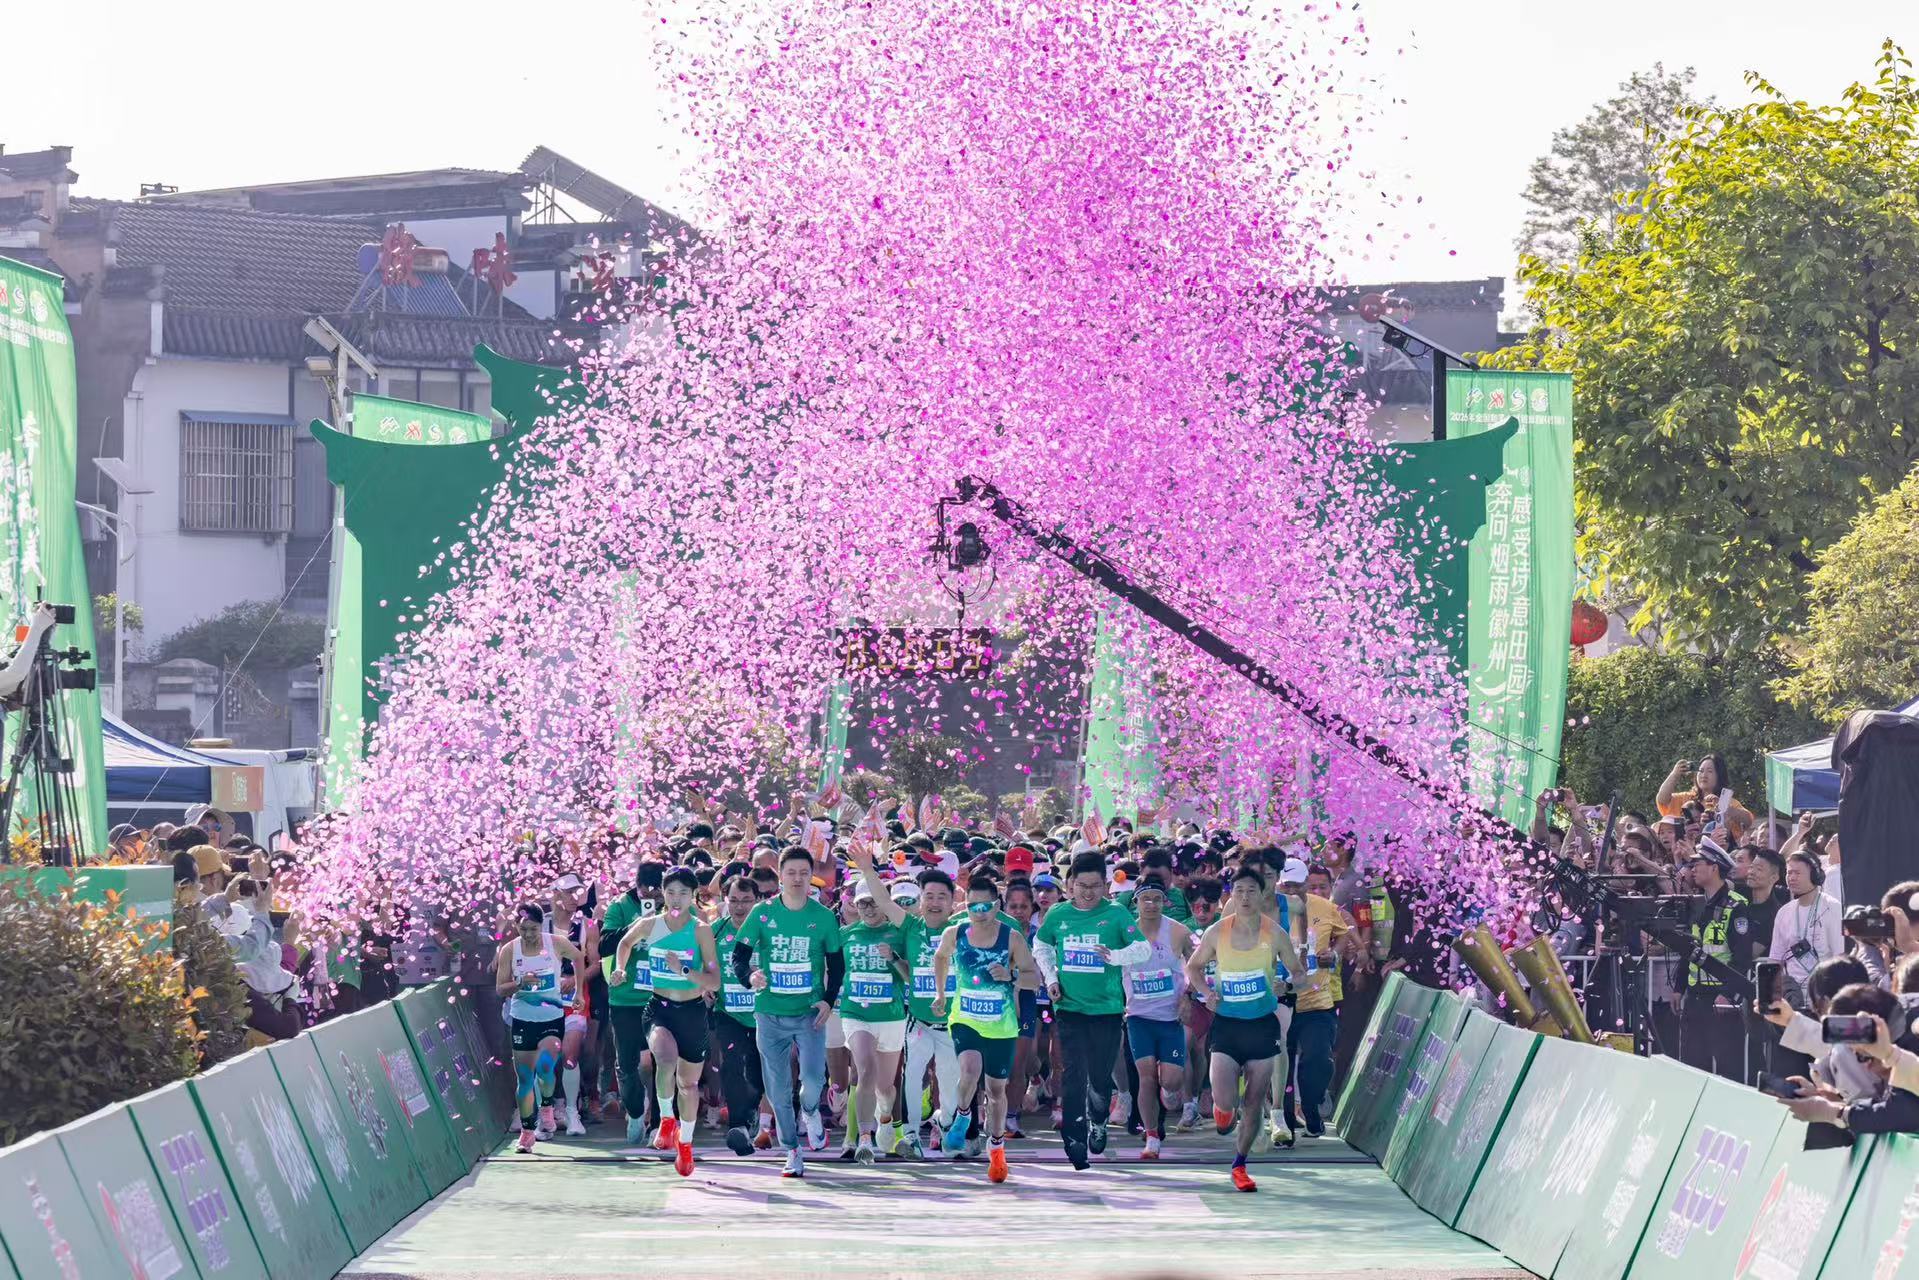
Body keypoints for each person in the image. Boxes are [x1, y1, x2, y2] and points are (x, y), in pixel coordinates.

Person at [1184, 862, 1304, 1191]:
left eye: (1252, 890)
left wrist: (1288, 986)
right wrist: (1206, 993)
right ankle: (1224, 1112)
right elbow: (1193, 968)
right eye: (1239, 891)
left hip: (1262, 1026)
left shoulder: (1274, 933)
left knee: (1253, 1099)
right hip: (1227, 1025)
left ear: (1262, 893)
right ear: (1232, 896)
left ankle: (1240, 1165)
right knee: (1225, 1102)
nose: (1246, 896)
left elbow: (1300, 973)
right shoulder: (1217, 932)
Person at [1032, 850, 1152, 1170]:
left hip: (1108, 1009)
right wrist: (1052, 977)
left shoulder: (1116, 915)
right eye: (1082, 885)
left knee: (1099, 1077)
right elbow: (1042, 945)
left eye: (1095, 886)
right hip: (1069, 1007)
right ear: (1070, 884)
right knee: (1073, 1072)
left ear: (1105, 886)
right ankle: (1075, 1139)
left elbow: (1142, 949)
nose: (1088, 892)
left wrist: (1113, 956)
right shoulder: (1057, 914)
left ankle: (1098, 1118)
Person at [732, 847, 845, 1179]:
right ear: (779, 875)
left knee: (812, 1079)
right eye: (791, 873)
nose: (797, 879)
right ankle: (792, 1150)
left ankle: (810, 1110)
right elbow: (739, 957)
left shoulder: (823, 916)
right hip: (769, 1014)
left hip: (809, 1014)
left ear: (811, 877)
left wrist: (827, 999)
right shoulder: (761, 914)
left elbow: (837, 964)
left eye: (803, 873)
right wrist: (749, 977)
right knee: (778, 1089)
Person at [846, 841, 960, 1159]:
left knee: (949, 1082)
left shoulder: (960, 930)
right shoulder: (910, 925)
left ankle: (949, 1126)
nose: (935, 902)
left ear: (953, 902)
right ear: (920, 902)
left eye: (942, 897)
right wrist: (867, 869)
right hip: (917, 1020)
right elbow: (882, 899)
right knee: (911, 1077)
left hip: (952, 1023)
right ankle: (909, 1135)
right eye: (930, 896)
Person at [933, 871, 1036, 1183]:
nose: (979, 913)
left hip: (1002, 1025)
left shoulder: (1012, 937)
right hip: (965, 1018)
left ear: (997, 906)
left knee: (995, 1091)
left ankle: (996, 1150)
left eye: (985, 907)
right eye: (972, 907)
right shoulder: (955, 933)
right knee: (969, 1071)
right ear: (965, 907)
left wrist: (1012, 976)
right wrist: (940, 993)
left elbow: (1034, 977)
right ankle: (963, 1117)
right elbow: (940, 957)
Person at [616, 866, 718, 1177]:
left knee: (688, 1084)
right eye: (671, 892)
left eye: (683, 893)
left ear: (692, 896)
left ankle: (685, 1145)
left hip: (693, 1013)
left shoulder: (701, 930)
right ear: (663, 893)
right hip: (659, 1008)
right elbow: (624, 943)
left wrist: (685, 971)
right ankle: (665, 1119)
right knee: (664, 1056)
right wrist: (620, 969)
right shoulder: (650, 924)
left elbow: (714, 979)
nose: (676, 899)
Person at [495, 904, 583, 1152]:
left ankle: (546, 1106)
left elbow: (578, 957)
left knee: (545, 1068)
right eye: (523, 929)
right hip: (522, 1019)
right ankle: (526, 1132)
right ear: (516, 927)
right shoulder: (509, 950)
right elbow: (500, 988)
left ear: (541, 925)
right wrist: (519, 983)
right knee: (524, 1078)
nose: (529, 934)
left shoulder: (555, 942)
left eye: (533, 928)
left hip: (551, 1018)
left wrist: (578, 991)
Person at [837, 882, 908, 1165]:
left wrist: (894, 958)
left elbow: (910, 977)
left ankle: (886, 1118)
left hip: (890, 1016)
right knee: (864, 1070)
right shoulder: (845, 935)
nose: (867, 908)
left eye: (873, 902)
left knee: (885, 1088)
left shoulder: (899, 934)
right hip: (856, 1014)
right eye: (861, 903)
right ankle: (863, 1138)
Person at [1122, 875, 1192, 1158]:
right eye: (1145, 899)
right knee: (1146, 1076)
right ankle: (1151, 1136)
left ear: (1165, 902)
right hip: (1138, 1016)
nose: (1150, 904)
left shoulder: (1178, 932)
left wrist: (1189, 996)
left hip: (1170, 1018)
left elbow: (1195, 964)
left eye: (1156, 899)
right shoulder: (1125, 932)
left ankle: (1171, 1093)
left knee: (1171, 1081)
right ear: (1136, 902)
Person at [1286, 863, 1357, 1138]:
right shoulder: (1269, 910)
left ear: (1306, 884)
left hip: (1318, 1001)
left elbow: (1341, 935)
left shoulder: (1325, 907)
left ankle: (1312, 1105)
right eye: (1286, 886)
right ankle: (1286, 1119)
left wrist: (1335, 954)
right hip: (1282, 1001)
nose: (1292, 891)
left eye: (1297, 886)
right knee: (1283, 1064)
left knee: (1318, 1059)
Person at [712, 873, 776, 1155]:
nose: (739, 907)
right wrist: (705, 986)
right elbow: (701, 961)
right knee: (731, 1062)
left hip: (764, 1013)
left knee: (759, 1074)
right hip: (729, 1013)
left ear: (758, 900)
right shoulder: (714, 931)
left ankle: (753, 1113)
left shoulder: (770, 930)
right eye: (734, 900)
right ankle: (737, 1127)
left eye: (746, 901)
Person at [1675, 844, 1750, 1081]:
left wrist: (1727, 993)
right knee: (1693, 1067)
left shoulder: (1736, 907)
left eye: (1697, 864)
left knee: (1728, 1067)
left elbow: (1742, 957)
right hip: (1695, 997)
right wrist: (1679, 989)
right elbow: (1689, 950)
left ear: (1714, 867)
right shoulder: (1695, 906)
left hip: (1720, 1001)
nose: (1692, 868)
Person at [601, 861, 661, 1144]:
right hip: (625, 998)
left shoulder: (672, 908)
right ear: (636, 885)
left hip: (662, 998)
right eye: (645, 888)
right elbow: (604, 945)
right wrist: (635, 928)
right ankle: (636, 1111)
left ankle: (660, 1125)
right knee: (626, 1064)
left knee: (664, 1062)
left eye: (657, 889)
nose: (651, 894)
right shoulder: (620, 906)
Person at [548, 888, 600, 1136]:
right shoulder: (539, 923)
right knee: (545, 1058)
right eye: (567, 893)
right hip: (543, 1000)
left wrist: (575, 980)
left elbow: (596, 963)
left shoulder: (586, 925)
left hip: (575, 1000)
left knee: (570, 1054)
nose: (572, 898)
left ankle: (572, 1111)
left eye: (576, 893)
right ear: (554, 894)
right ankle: (546, 1108)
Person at [1769, 851, 1844, 1007]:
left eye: (1797, 873)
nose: (1792, 878)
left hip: (1823, 999)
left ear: (1815, 875)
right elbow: (1775, 960)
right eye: (1789, 873)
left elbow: (1840, 957)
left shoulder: (1832, 908)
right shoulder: (1784, 912)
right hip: (1791, 1000)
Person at [1657, 753, 1754, 844]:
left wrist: (1723, 809)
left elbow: (1748, 820)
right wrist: (1674, 775)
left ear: (1719, 775)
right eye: (1701, 771)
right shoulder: (1686, 798)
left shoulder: (1726, 800)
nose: (1704, 775)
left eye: (1710, 771)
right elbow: (1662, 800)